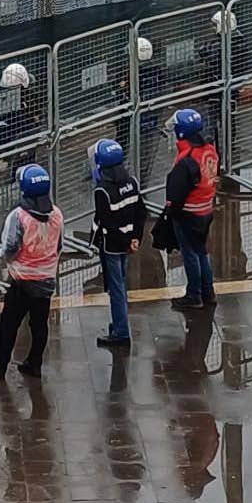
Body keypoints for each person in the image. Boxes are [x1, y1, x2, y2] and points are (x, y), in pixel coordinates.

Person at [0, 163, 62, 379]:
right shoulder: (57, 215)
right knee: (39, 325)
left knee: (9, 323)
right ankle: (35, 363)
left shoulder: (18, 216)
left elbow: (11, 246)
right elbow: (59, 245)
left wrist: (9, 262)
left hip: (23, 280)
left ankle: (1, 364)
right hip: (46, 280)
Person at [162, 108, 219, 310]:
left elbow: (177, 191)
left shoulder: (187, 158)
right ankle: (208, 291)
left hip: (188, 212)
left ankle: (194, 294)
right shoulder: (209, 150)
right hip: (206, 209)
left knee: (191, 254)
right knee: (201, 251)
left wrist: (171, 211)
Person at [89, 137, 143, 348]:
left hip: (112, 245)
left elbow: (106, 221)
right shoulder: (132, 182)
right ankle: (119, 323)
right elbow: (141, 212)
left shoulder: (102, 190)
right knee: (120, 282)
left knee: (116, 288)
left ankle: (121, 331)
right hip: (129, 241)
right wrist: (134, 238)